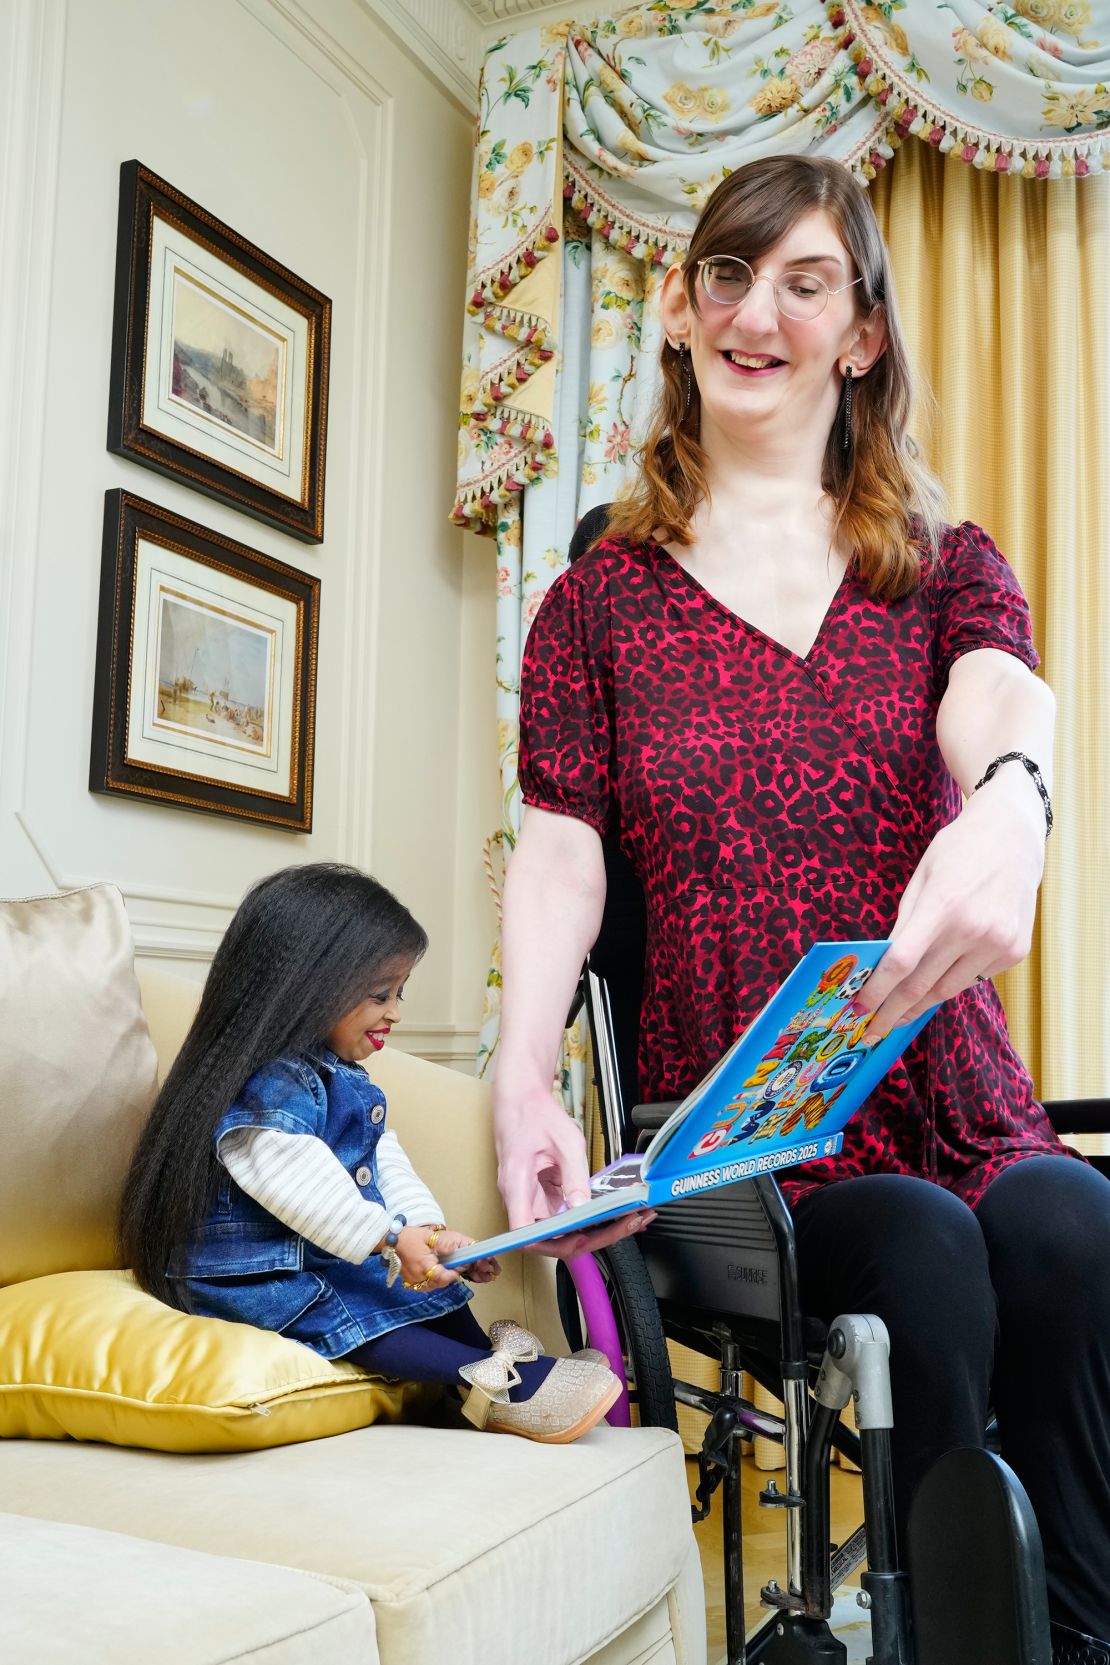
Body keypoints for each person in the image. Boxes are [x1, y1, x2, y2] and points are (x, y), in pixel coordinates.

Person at [493, 156, 1110, 1656]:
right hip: (754, 1142)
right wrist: (520, 1069)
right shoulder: (596, 606)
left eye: (802, 280)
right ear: (683, 309)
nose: (751, 309)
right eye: (724, 272)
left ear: (861, 335)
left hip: (951, 1094)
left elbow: (997, 696)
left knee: (1070, 1226)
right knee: (920, 1251)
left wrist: (1017, 799)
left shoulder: (941, 568)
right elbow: (561, 852)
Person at [120, 863, 620, 1444]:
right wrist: (390, 1238)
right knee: (359, 1303)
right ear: (307, 984)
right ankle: (497, 1382)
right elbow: (295, 1182)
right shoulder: (269, 1086)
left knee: (424, 1284)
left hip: (320, 1251)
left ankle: (497, 1370)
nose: (396, 1012)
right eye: (380, 994)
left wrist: (429, 1235)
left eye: (399, 992)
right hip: (254, 1275)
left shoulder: (343, 1078)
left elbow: (386, 1161)